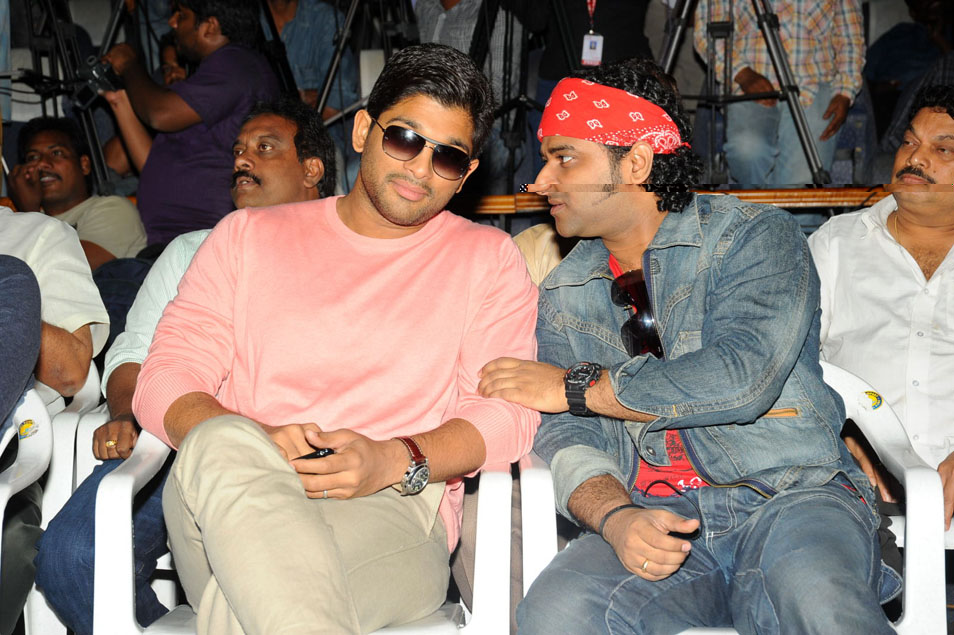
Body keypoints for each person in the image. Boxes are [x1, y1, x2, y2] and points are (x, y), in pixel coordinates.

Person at [478, 58, 896, 633]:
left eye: (564, 158)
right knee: (557, 612)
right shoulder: (565, 291)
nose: (541, 180)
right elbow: (566, 434)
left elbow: (741, 377)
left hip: (788, 495)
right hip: (656, 514)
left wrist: (579, 387)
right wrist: (615, 517)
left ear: (637, 161)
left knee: (818, 600)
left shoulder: (752, 236)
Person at [132, 43, 538, 633]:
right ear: (363, 131)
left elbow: (507, 415)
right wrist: (259, 443)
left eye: (448, 156)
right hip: (228, 494)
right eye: (405, 139)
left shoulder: (487, 259)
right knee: (221, 440)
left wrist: (394, 457)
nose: (421, 169)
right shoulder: (245, 237)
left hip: (391, 504)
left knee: (252, 607)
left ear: (468, 174)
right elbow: (165, 377)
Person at [33, 98, 337, 635]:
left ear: (312, 169)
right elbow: (133, 353)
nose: (242, 159)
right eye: (238, 150)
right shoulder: (193, 250)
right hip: (181, 443)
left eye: (264, 147)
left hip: (315, 446)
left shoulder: (356, 251)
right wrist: (125, 414)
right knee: (73, 558)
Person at [809, 84, 954, 529]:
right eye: (909, 141)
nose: (915, 158)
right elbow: (789, 362)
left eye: (942, 149)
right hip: (851, 483)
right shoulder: (836, 244)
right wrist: (839, 429)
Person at [0, 182, 109, 634]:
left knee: (12, 544)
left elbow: (71, 371)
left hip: (12, 446)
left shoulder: (37, 235)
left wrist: (12, 308)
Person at [104, 0, 280, 249]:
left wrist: (130, 64)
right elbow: (155, 163)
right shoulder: (218, 74)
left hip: (205, 239)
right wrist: (118, 100)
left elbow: (159, 114)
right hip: (172, 240)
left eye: (181, 15)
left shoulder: (236, 63)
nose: (172, 22)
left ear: (210, 26)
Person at [693, 0, 864, 185]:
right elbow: (707, 32)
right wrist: (742, 74)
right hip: (750, 81)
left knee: (802, 180)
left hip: (813, 82)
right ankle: (756, 202)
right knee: (747, 149)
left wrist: (845, 91)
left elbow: (850, 38)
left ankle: (780, 204)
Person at [8, 117, 147, 271]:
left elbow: (66, 269)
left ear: (84, 165)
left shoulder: (113, 208)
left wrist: (29, 213)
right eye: (32, 157)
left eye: (56, 153)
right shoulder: (13, 222)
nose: (42, 163)